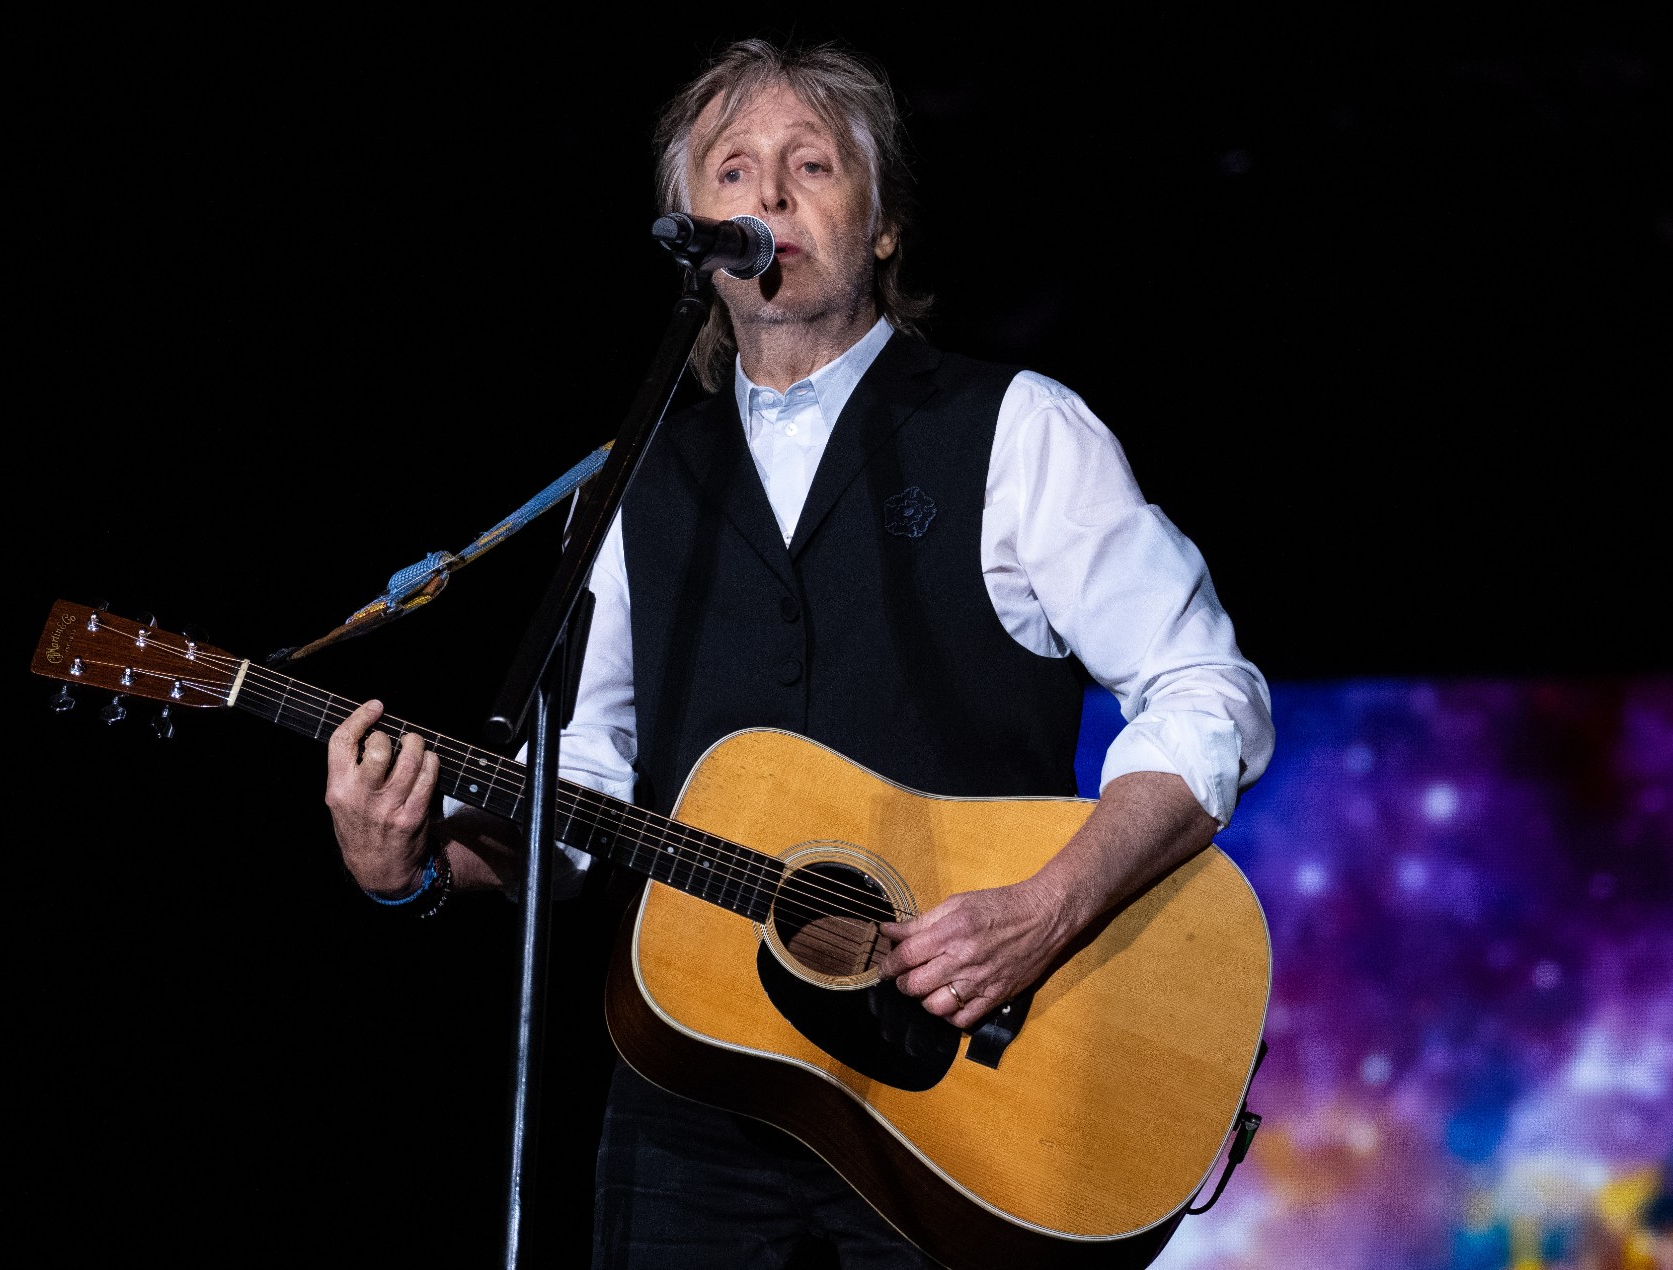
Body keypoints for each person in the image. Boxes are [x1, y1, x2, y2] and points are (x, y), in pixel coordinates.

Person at [323, 36, 1274, 1269]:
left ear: (880, 227)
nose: (765, 197)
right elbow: (586, 786)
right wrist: (419, 864)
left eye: (809, 164)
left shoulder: (1019, 430)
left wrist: (1044, 910)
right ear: (686, 233)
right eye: (730, 170)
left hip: (962, 1103)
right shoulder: (627, 482)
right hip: (691, 1107)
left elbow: (1206, 692)